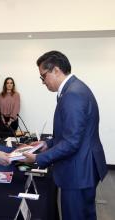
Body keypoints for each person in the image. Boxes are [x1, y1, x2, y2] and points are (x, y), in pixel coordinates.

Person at [22, 51, 107, 220]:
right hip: (83, 166)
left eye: (43, 76)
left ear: (56, 70)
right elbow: (73, 133)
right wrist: (48, 144)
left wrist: (38, 158)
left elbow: (71, 142)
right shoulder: (75, 88)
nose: (43, 82)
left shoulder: (73, 94)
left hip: (78, 170)